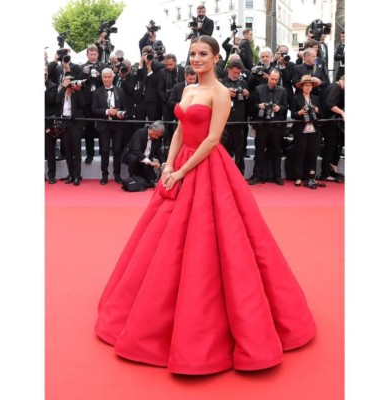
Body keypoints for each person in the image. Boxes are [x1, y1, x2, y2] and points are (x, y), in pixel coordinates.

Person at [95, 36, 316, 375]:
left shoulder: (220, 93)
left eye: (203, 54)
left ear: (216, 58)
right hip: (181, 163)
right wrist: (168, 166)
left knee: (217, 239)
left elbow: (213, 140)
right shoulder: (187, 91)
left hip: (207, 166)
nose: (196, 59)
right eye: (193, 54)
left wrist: (182, 170)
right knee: (161, 241)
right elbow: (180, 132)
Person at [248, 69, 288, 186]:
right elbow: (251, 106)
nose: (273, 81)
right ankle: (256, 175)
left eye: (276, 80)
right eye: (272, 79)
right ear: (267, 77)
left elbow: (286, 107)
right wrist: (259, 106)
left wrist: (279, 108)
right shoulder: (258, 89)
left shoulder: (282, 90)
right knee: (259, 151)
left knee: (276, 151)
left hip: (276, 125)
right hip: (262, 125)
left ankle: (277, 176)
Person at [91, 68, 128, 185]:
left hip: (117, 126)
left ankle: (117, 175)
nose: (107, 79)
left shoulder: (120, 91)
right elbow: (94, 110)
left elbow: (126, 108)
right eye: (104, 77)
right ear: (102, 78)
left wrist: (120, 113)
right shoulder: (97, 92)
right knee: (105, 151)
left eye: (109, 77)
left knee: (117, 150)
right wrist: (107, 111)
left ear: (113, 78)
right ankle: (104, 175)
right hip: (104, 126)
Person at [289, 75, 323, 189]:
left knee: (313, 153)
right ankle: (298, 176)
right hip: (301, 128)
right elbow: (293, 114)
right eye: (306, 85)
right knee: (300, 153)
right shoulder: (296, 98)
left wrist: (317, 110)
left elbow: (322, 115)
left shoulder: (316, 98)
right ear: (302, 86)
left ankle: (311, 176)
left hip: (314, 130)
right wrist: (300, 112)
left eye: (310, 85)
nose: (308, 88)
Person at [55, 73, 86, 186]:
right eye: (67, 82)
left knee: (76, 152)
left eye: (70, 82)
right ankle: (71, 174)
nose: (69, 85)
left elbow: (83, 104)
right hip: (64, 124)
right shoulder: (61, 93)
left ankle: (77, 176)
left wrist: (78, 90)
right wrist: (63, 88)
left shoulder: (76, 94)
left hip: (75, 124)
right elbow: (56, 101)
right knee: (67, 152)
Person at [221, 60, 250, 175]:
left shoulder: (243, 84)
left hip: (239, 121)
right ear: (228, 70)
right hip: (225, 121)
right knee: (224, 150)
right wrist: (225, 93)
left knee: (239, 149)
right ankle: (223, 173)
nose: (236, 75)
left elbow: (248, 102)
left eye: (238, 73)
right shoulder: (221, 84)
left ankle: (239, 173)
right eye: (234, 72)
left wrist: (247, 94)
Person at [120, 120, 166, 187]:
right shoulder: (139, 133)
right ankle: (133, 177)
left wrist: (163, 163)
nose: (157, 137)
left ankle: (144, 177)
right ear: (151, 130)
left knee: (151, 181)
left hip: (147, 159)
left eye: (158, 136)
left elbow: (159, 152)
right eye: (156, 135)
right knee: (133, 158)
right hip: (135, 156)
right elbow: (136, 150)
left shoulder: (157, 137)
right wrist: (150, 162)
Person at [318, 75, 345, 183]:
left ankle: (331, 169)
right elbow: (330, 104)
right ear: (343, 81)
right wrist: (342, 112)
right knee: (330, 147)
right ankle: (325, 173)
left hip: (330, 122)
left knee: (333, 146)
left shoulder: (334, 87)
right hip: (329, 122)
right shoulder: (336, 87)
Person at [44, 65, 58, 184]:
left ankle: (51, 175)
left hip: (47, 122)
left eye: (45, 72)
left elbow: (49, 101)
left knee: (49, 150)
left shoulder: (52, 86)